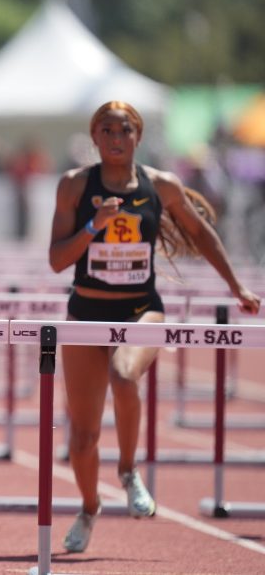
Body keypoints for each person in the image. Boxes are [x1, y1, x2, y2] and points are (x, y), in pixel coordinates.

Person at [48, 100, 260, 553]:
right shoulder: (72, 187)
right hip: (86, 312)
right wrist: (93, 226)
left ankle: (128, 471)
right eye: (106, 131)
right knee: (82, 439)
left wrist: (236, 285)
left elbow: (200, 232)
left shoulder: (160, 185)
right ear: (95, 138)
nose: (116, 138)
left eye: (124, 130)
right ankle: (89, 507)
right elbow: (56, 260)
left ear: (138, 136)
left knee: (124, 376)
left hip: (141, 308)